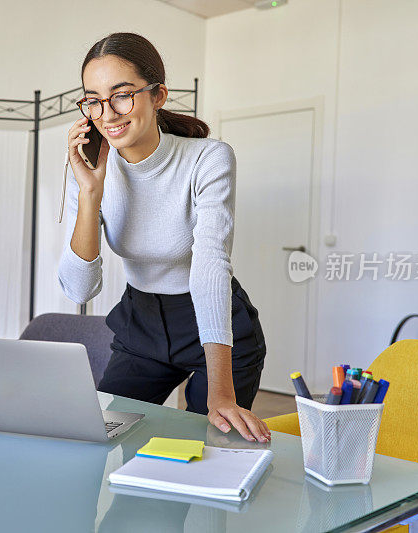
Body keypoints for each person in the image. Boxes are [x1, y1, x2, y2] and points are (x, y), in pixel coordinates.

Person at [57, 32, 270, 443]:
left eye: (122, 95)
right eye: (93, 100)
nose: (108, 113)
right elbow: (80, 289)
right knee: (112, 440)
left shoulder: (207, 158)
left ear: (157, 96)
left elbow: (211, 268)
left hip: (213, 319)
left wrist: (221, 394)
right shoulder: (88, 172)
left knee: (205, 449)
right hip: (141, 324)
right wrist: (89, 193)